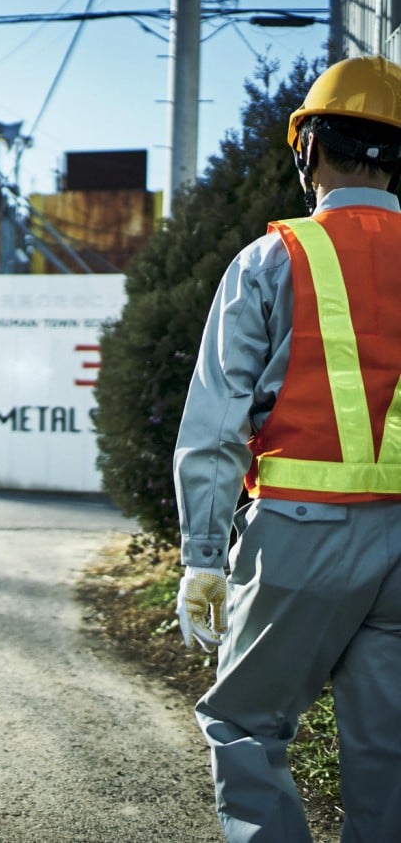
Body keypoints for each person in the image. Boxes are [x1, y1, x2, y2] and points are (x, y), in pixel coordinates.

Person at [174, 55, 401, 841]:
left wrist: (203, 555)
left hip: (300, 538)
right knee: (388, 752)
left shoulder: (272, 260)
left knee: (244, 723)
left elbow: (213, 425)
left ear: (307, 150)